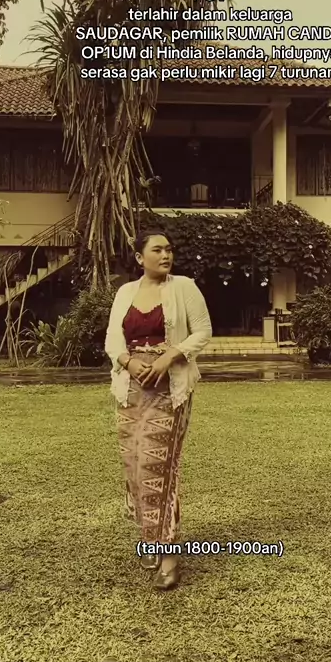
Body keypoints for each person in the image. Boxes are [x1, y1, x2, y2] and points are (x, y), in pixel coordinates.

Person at [104, 231, 212, 590]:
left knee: (160, 469)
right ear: (140, 258)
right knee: (136, 466)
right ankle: (150, 539)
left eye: (169, 250)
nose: (166, 255)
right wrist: (128, 361)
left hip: (169, 391)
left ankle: (169, 557)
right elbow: (113, 338)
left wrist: (168, 357)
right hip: (131, 391)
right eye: (157, 250)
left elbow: (202, 332)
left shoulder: (184, 287)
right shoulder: (125, 292)